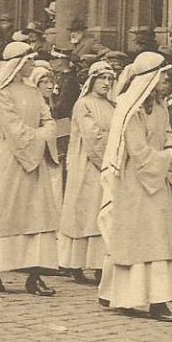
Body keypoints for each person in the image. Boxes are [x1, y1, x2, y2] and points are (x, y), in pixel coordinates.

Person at [0, 41, 63, 295]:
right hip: (7, 161)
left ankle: (34, 275)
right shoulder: (1, 94)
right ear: (16, 63)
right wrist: (40, 136)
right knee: (1, 213)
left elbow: (49, 121)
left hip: (33, 161)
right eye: (27, 61)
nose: (30, 65)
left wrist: (42, 134)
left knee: (38, 216)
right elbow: (12, 129)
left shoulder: (34, 93)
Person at [96, 51, 172, 322]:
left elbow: (167, 133)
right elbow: (137, 150)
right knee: (136, 240)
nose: (167, 79)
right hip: (135, 183)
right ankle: (126, 297)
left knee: (158, 239)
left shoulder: (159, 107)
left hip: (157, 183)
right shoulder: (129, 108)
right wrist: (166, 159)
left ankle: (159, 300)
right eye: (163, 75)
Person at [56, 61, 117, 285]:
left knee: (101, 210)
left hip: (108, 163)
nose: (106, 83)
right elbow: (92, 136)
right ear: (92, 80)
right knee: (84, 210)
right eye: (102, 79)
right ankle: (75, 263)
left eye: (110, 79)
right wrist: (105, 160)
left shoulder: (112, 105)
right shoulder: (84, 104)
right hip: (88, 163)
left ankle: (101, 263)